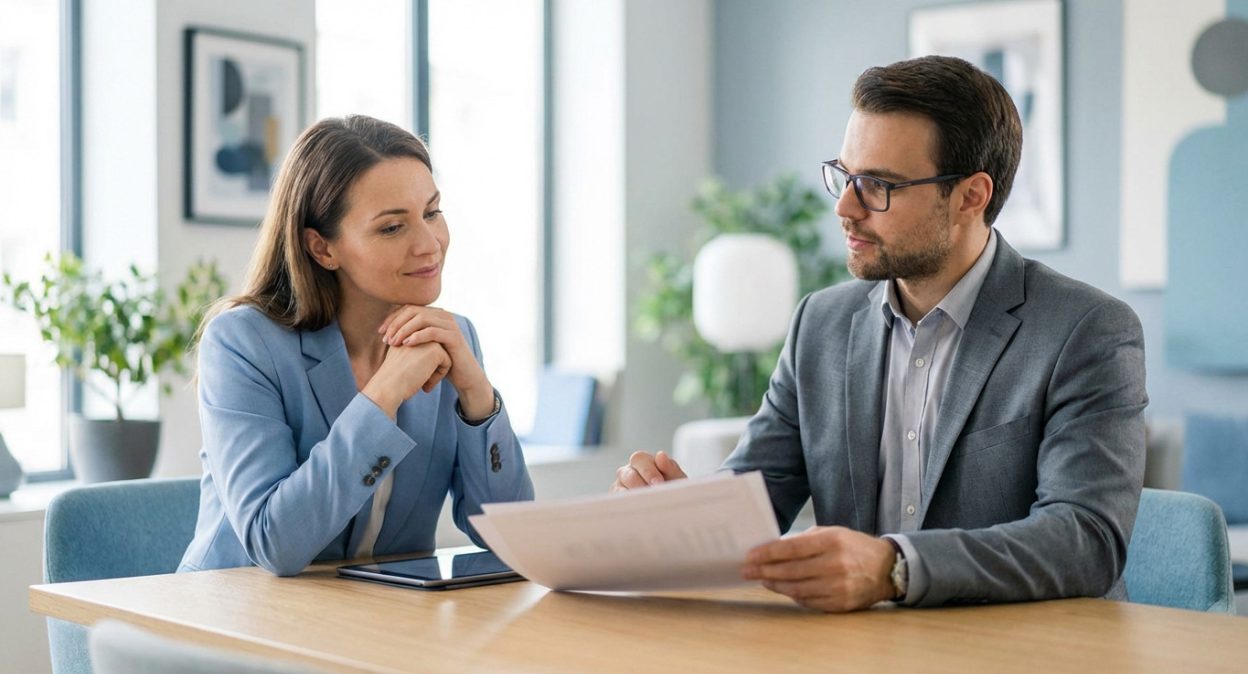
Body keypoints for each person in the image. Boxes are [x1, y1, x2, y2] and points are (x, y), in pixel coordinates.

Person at [612, 56, 1147, 611]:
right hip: (863, 656)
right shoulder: (819, 325)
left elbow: (1086, 539)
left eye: (878, 186)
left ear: (971, 196)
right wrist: (675, 518)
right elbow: (757, 499)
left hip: (1033, 661)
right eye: (844, 176)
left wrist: (895, 568)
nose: (845, 208)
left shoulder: (1086, 331)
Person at [179, 115, 534, 576]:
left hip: (380, 623)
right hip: (236, 621)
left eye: (432, 213)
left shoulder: (453, 339)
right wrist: (383, 395)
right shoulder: (244, 342)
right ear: (322, 248)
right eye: (392, 228)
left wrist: (477, 397)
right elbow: (275, 544)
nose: (430, 244)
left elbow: (513, 542)